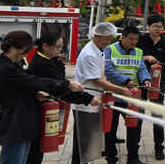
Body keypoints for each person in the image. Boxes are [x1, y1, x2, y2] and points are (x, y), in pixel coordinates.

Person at [0, 30, 86, 164]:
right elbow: (32, 81)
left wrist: (36, 93)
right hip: (15, 123)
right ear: (13, 49)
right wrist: (67, 84)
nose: (24, 56)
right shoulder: (5, 68)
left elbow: (22, 86)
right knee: (14, 159)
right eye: (23, 53)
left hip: (23, 121)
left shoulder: (14, 64)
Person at [26, 32, 99, 164]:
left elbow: (61, 80)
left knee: (39, 147)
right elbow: (61, 87)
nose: (60, 50)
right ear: (45, 46)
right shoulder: (41, 64)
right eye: (58, 47)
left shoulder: (52, 58)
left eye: (62, 46)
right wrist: (88, 98)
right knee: (34, 150)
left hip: (43, 108)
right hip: (35, 110)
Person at [72, 22, 132, 164]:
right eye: (106, 38)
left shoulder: (99, 50)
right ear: (97, 36)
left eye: (110, 38)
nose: (108, 42)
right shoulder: (89, 54)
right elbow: (98, 80)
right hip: (85, 103)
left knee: (88, 141)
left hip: (93, 100)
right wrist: (120, 89)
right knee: (82, 142)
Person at [103, 25, 152, 164]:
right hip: (113, 96)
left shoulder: (139, 52)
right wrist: (124, 81)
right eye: (131, 39)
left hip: (132, 97)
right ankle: (111, 158)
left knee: (134, 128)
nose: (133, 42)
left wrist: (146, 79)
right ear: (122, 37)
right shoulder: (110, 49)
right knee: (110, 129)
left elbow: (141, 68)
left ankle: (133, 157)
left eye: (136, 39)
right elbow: (108, 70)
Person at [136, 15, 165, 161]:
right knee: (139, 114)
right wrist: (147, 58)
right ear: (149, 26)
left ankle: (159, 147)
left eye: (160, 26)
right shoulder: (141, 39)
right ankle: (134, 147)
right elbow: (134, 56)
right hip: (141, 82)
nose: (158, 29)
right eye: (155, 26)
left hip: (158, 83)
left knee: (157, 114)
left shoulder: (164, 42)